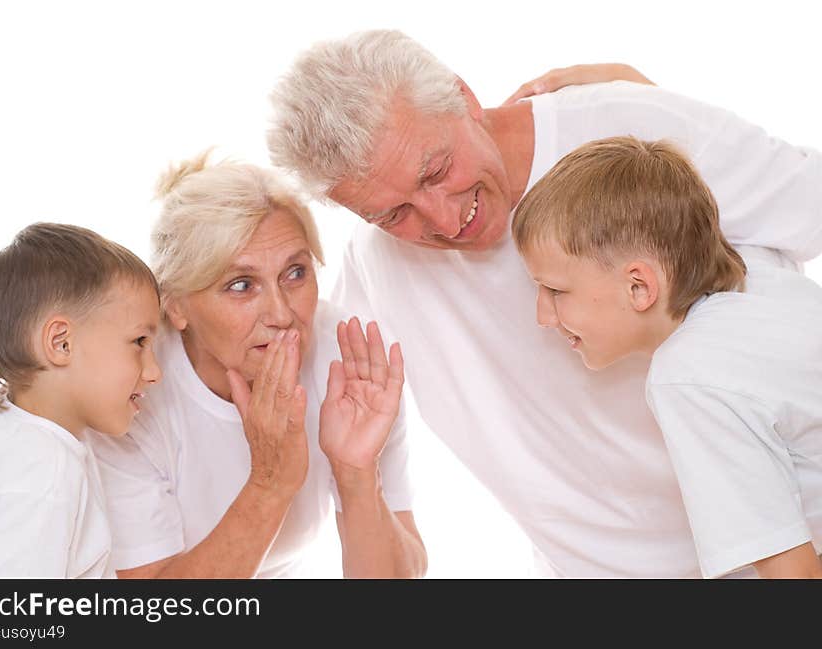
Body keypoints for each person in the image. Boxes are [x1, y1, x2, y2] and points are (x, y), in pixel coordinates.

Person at [266, 29, 822, 577]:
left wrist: (652, 111)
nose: (440, 220)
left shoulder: (625, 125)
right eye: (392, 215)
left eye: (435, 171)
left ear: (463, 98)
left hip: (791, 545)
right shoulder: (375, 267)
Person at [88, 152, 426, 578]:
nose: (283, 314)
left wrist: (357, 473)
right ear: (175, 307)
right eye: (241, 285)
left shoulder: (348, 362)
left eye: (296, 273)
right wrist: (269, 483)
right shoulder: (133, 391)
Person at [511, 136, 822, 579]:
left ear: (639, 287)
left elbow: (796, 576)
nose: (543, 315)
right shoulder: (767, 284)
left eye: (556, 290)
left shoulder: (688, 376)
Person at [0, 223, 161, 578]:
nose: (154, 372)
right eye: (139, 342)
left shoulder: (6, 423)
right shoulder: (43, 474)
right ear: (61, 343)